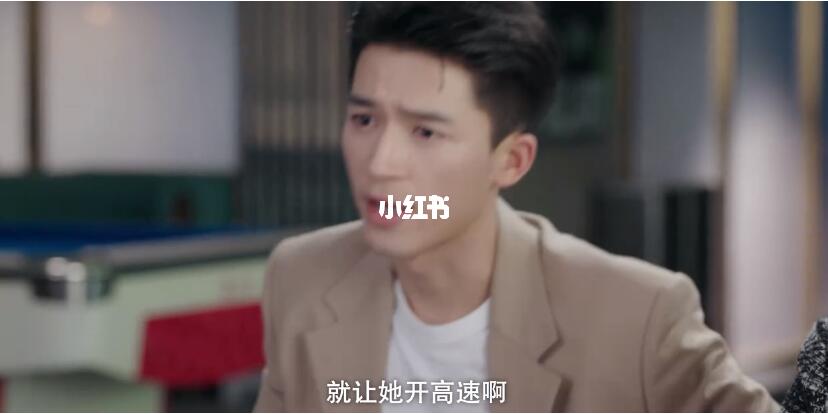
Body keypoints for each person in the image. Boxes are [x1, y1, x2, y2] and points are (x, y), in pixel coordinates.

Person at [254, 2, 779, 412]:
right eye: (364, 120)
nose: (381, 163)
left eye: (425, 132)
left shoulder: (636, 318)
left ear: (511, 161)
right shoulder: (301, 278)